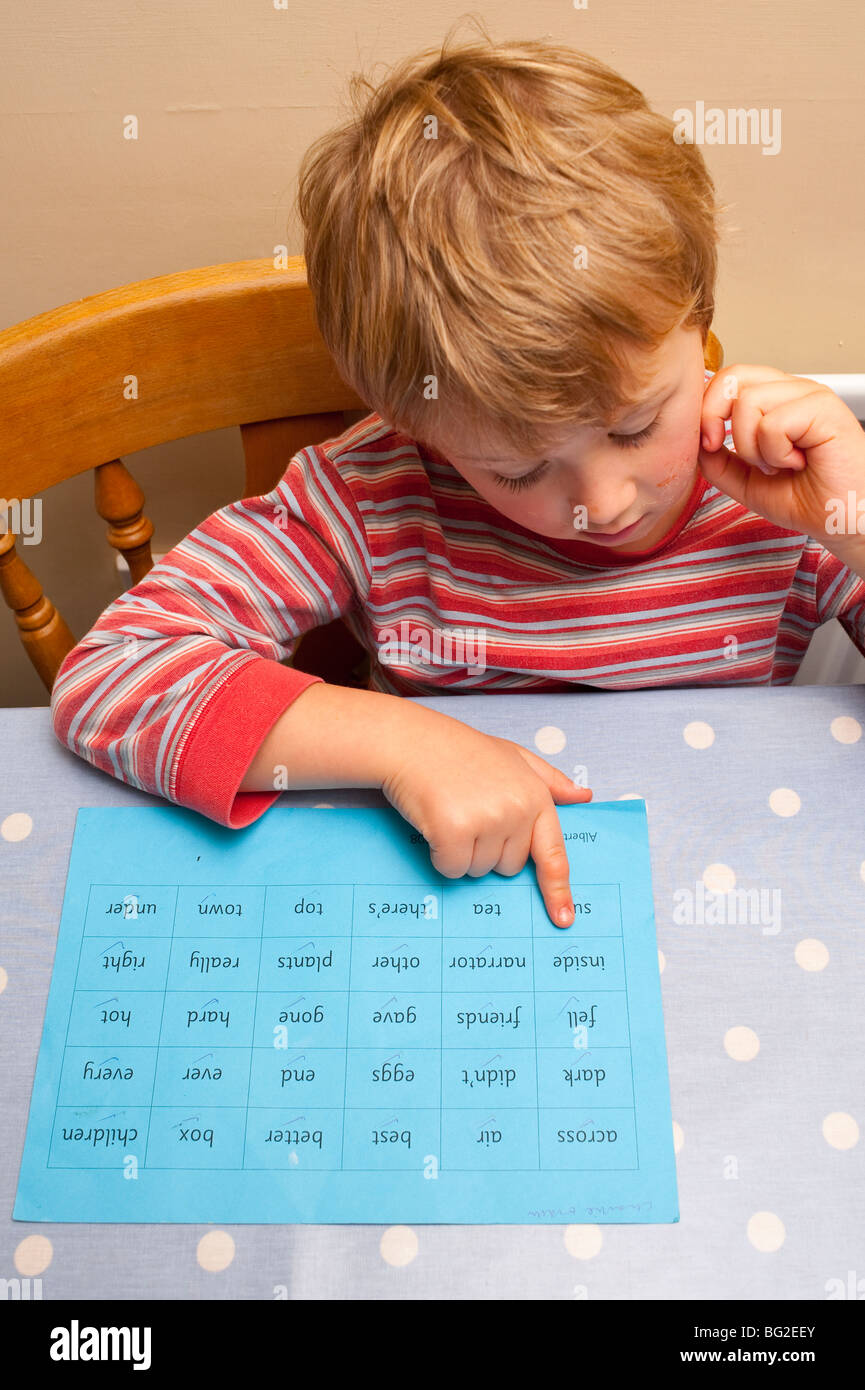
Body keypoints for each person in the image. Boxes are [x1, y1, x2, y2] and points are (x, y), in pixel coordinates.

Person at [50, 33, 865, 931]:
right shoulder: (372, 496)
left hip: (741, 888)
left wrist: (852, 524)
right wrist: (401, 742)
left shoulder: (788, 480)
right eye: (516, 467)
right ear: (420, 423)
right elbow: (113, 677)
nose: (603, 501)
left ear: (698, 319)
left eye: (635, 427)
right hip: (457, 909)